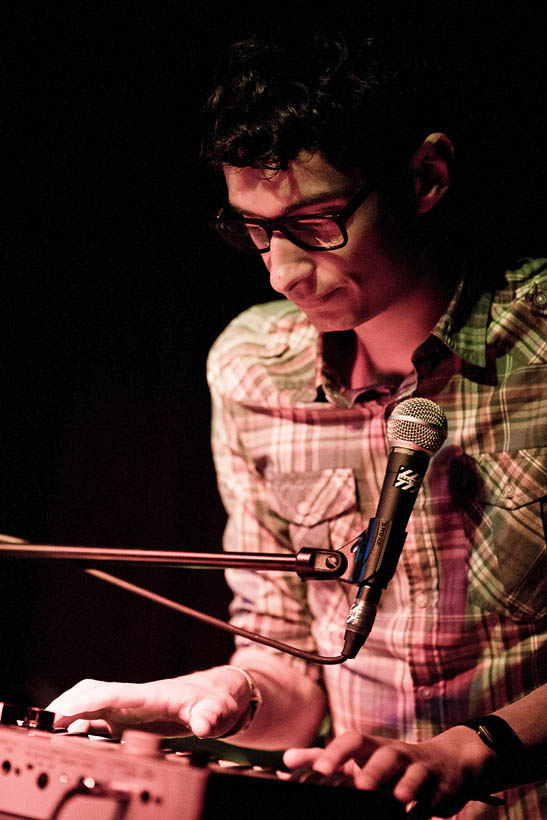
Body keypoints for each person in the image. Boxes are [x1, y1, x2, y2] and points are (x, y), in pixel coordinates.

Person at [47, 26, 547, 819]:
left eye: (315, 223)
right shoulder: (250, 367)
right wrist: (223, 689)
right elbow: (293, 684)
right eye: (253, 228)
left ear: (425, 177)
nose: (279, 271)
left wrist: (471, 748)